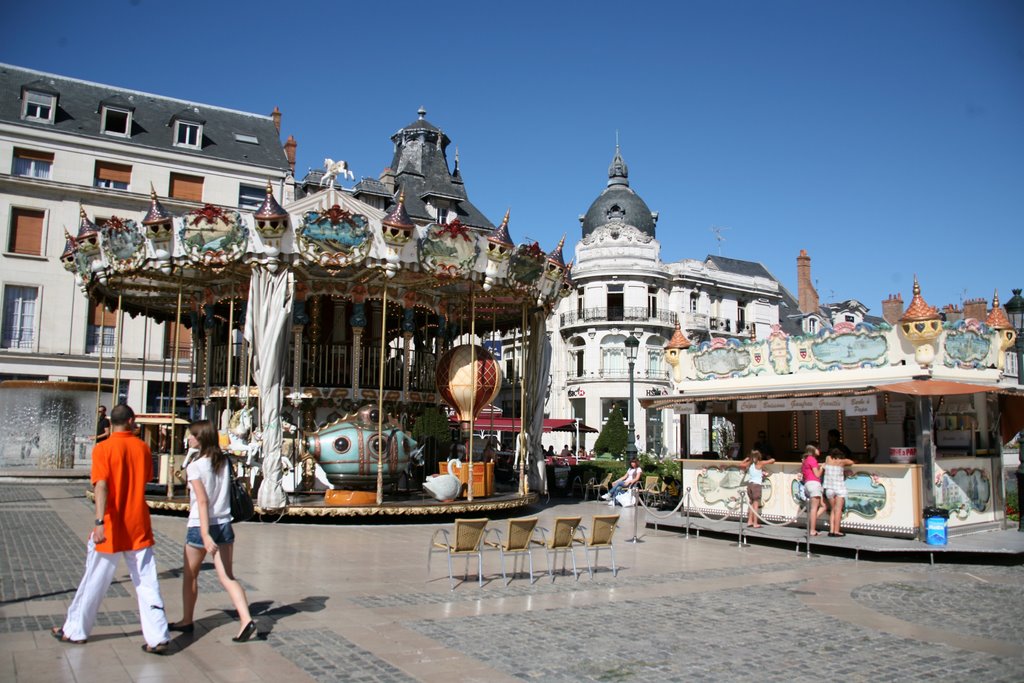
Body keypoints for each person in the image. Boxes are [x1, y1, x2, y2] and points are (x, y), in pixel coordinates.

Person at [50, 403, 171, 655]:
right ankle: (158, 636)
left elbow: (101, 485)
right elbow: (145, 479)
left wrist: (99, 522)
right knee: (147, 582)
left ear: (111, 422)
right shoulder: (143, 448)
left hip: (112, 526)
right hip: (138, 523)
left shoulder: (102, 449)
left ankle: (76, 630)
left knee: (95, 579)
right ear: (130, 421)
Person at [167, 420, 258, 642]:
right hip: (225, 524)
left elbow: (202, 501)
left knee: (190, 575)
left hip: (201, 526)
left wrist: (206, 534)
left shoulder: (195, 467)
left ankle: (187, 619)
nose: (188, 438)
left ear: (201, 439)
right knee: (227, 576)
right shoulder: (223, 461)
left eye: (192, 435)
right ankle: (246, 619)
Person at [823, 448, 856, 537]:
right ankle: (836, 531)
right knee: (838, 510)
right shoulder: (842, 462)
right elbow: (851, 462)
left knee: (833, 510)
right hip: (839, 488)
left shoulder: (828, 458)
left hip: (829, 489)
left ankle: (831, 530)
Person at [740, 449, 776, 528]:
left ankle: (750, 521)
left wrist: (747, 459)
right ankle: (755, 522)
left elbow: (741, 464)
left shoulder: (749, 464)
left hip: (750, 485)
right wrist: (770, 458)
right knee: (755, 505)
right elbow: (772, 460)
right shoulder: (761, 463)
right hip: (756, 486)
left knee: (751, 503)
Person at [801, 444, 825, 536]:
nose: (819, 450)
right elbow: (817, 474)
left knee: (823, 506)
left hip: (808, 484)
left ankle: (811, 523)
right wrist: (822, 467)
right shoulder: (812, 460)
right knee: (814, 508)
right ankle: (812, 530)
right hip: (814, 484)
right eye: (818, 448)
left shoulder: (806, 460)